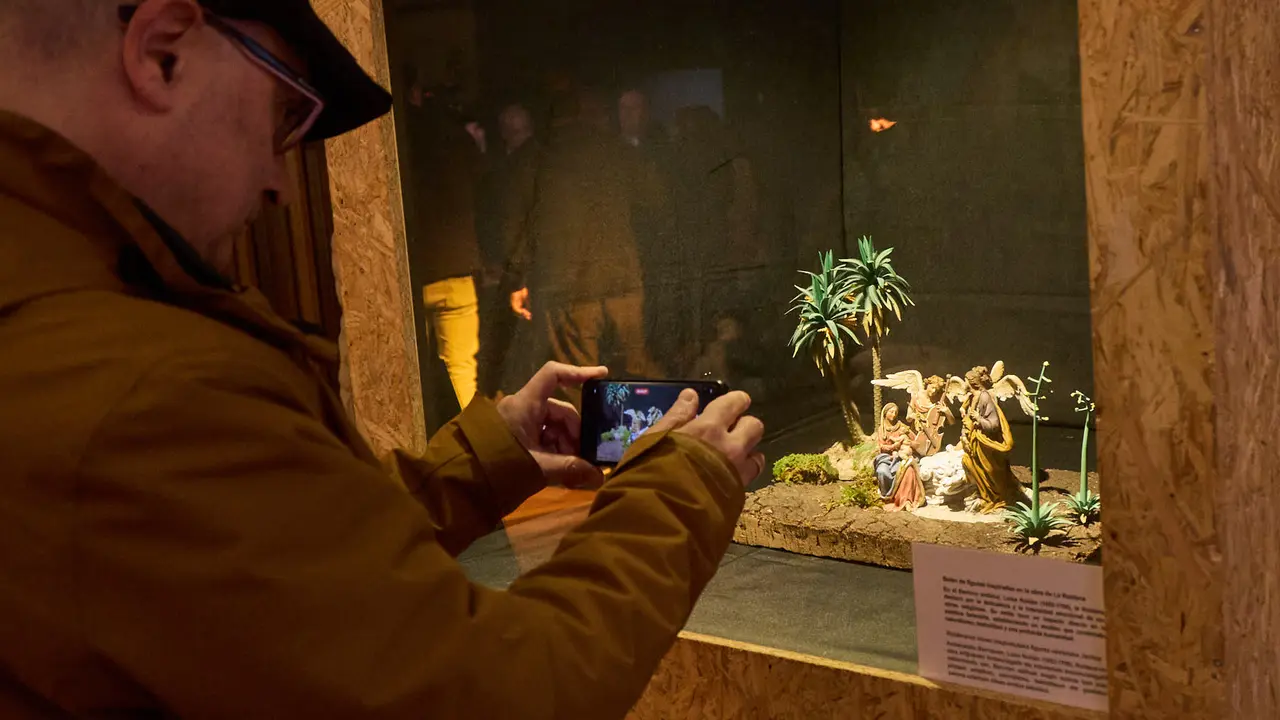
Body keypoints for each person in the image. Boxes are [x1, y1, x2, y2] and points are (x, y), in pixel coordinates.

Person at [0, 1, 766, 717]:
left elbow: (289, 590)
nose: (280, 184)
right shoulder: (146, 393)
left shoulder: (61, 322)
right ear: (162, 53)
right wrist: (684, 481)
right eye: (283, 116)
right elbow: (494, 692)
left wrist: (482, 456)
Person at [503, 89, 665, 402]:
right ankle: (651, 440)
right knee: (637, 369)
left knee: (580, 380)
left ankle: (593, 447)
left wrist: (517, 281)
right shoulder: (613, 147)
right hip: (623, 277)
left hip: (568, 287)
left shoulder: (534, 157)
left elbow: (516, 223)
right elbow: (656, 200)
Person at [402, 67, 484, 410]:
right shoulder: (456, 139)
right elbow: (483, 193)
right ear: (419, 92)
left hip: (410, 273)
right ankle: (475, 449)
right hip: (456, 267)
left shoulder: (396, 137)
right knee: (463, 370)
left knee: (410, 372)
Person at [476, 103, 537, 396]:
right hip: (536, 268)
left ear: (504, 133)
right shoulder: (541, 160)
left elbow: (511, 222)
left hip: (517, 271)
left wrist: (514, 273)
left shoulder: (514, 168)